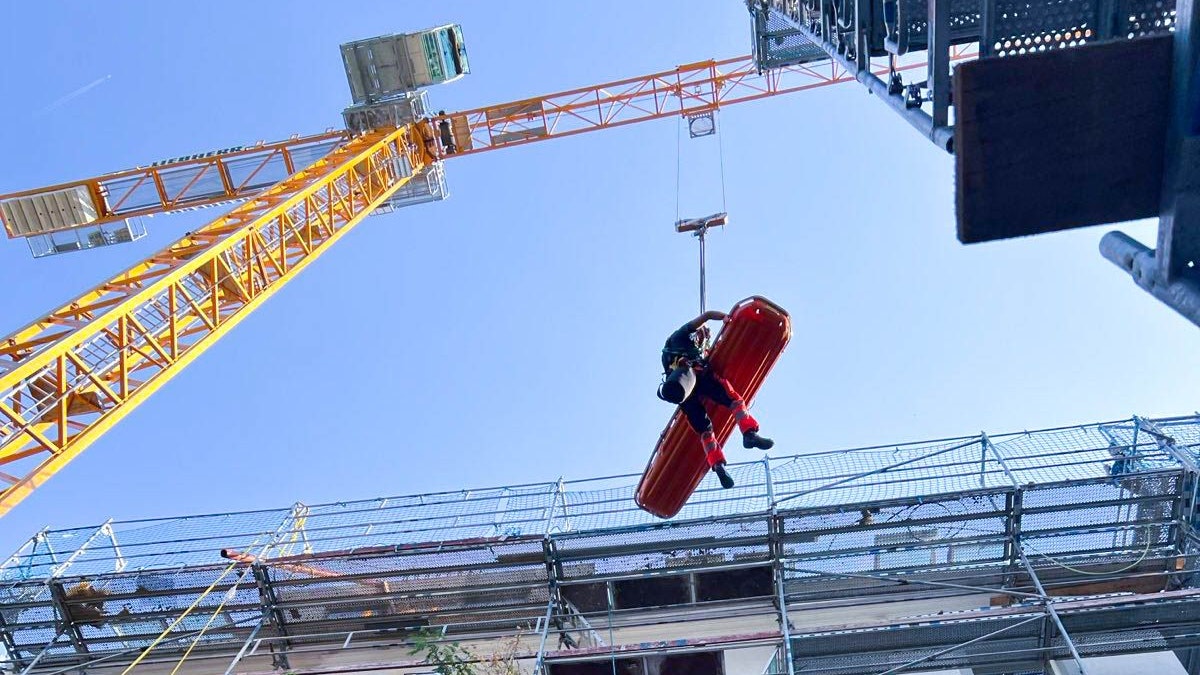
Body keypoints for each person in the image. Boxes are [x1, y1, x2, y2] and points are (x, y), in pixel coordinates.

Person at [659, 310, 774, 490]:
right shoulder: (681, 336)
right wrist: (725, 318)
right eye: (702, 335)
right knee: (734, 400)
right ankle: (749, 434)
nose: (702, 339)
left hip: (684, 392)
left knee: (705, 430)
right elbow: (707, 315)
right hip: (699, 377)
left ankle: (718, 465)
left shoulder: (670, 353)